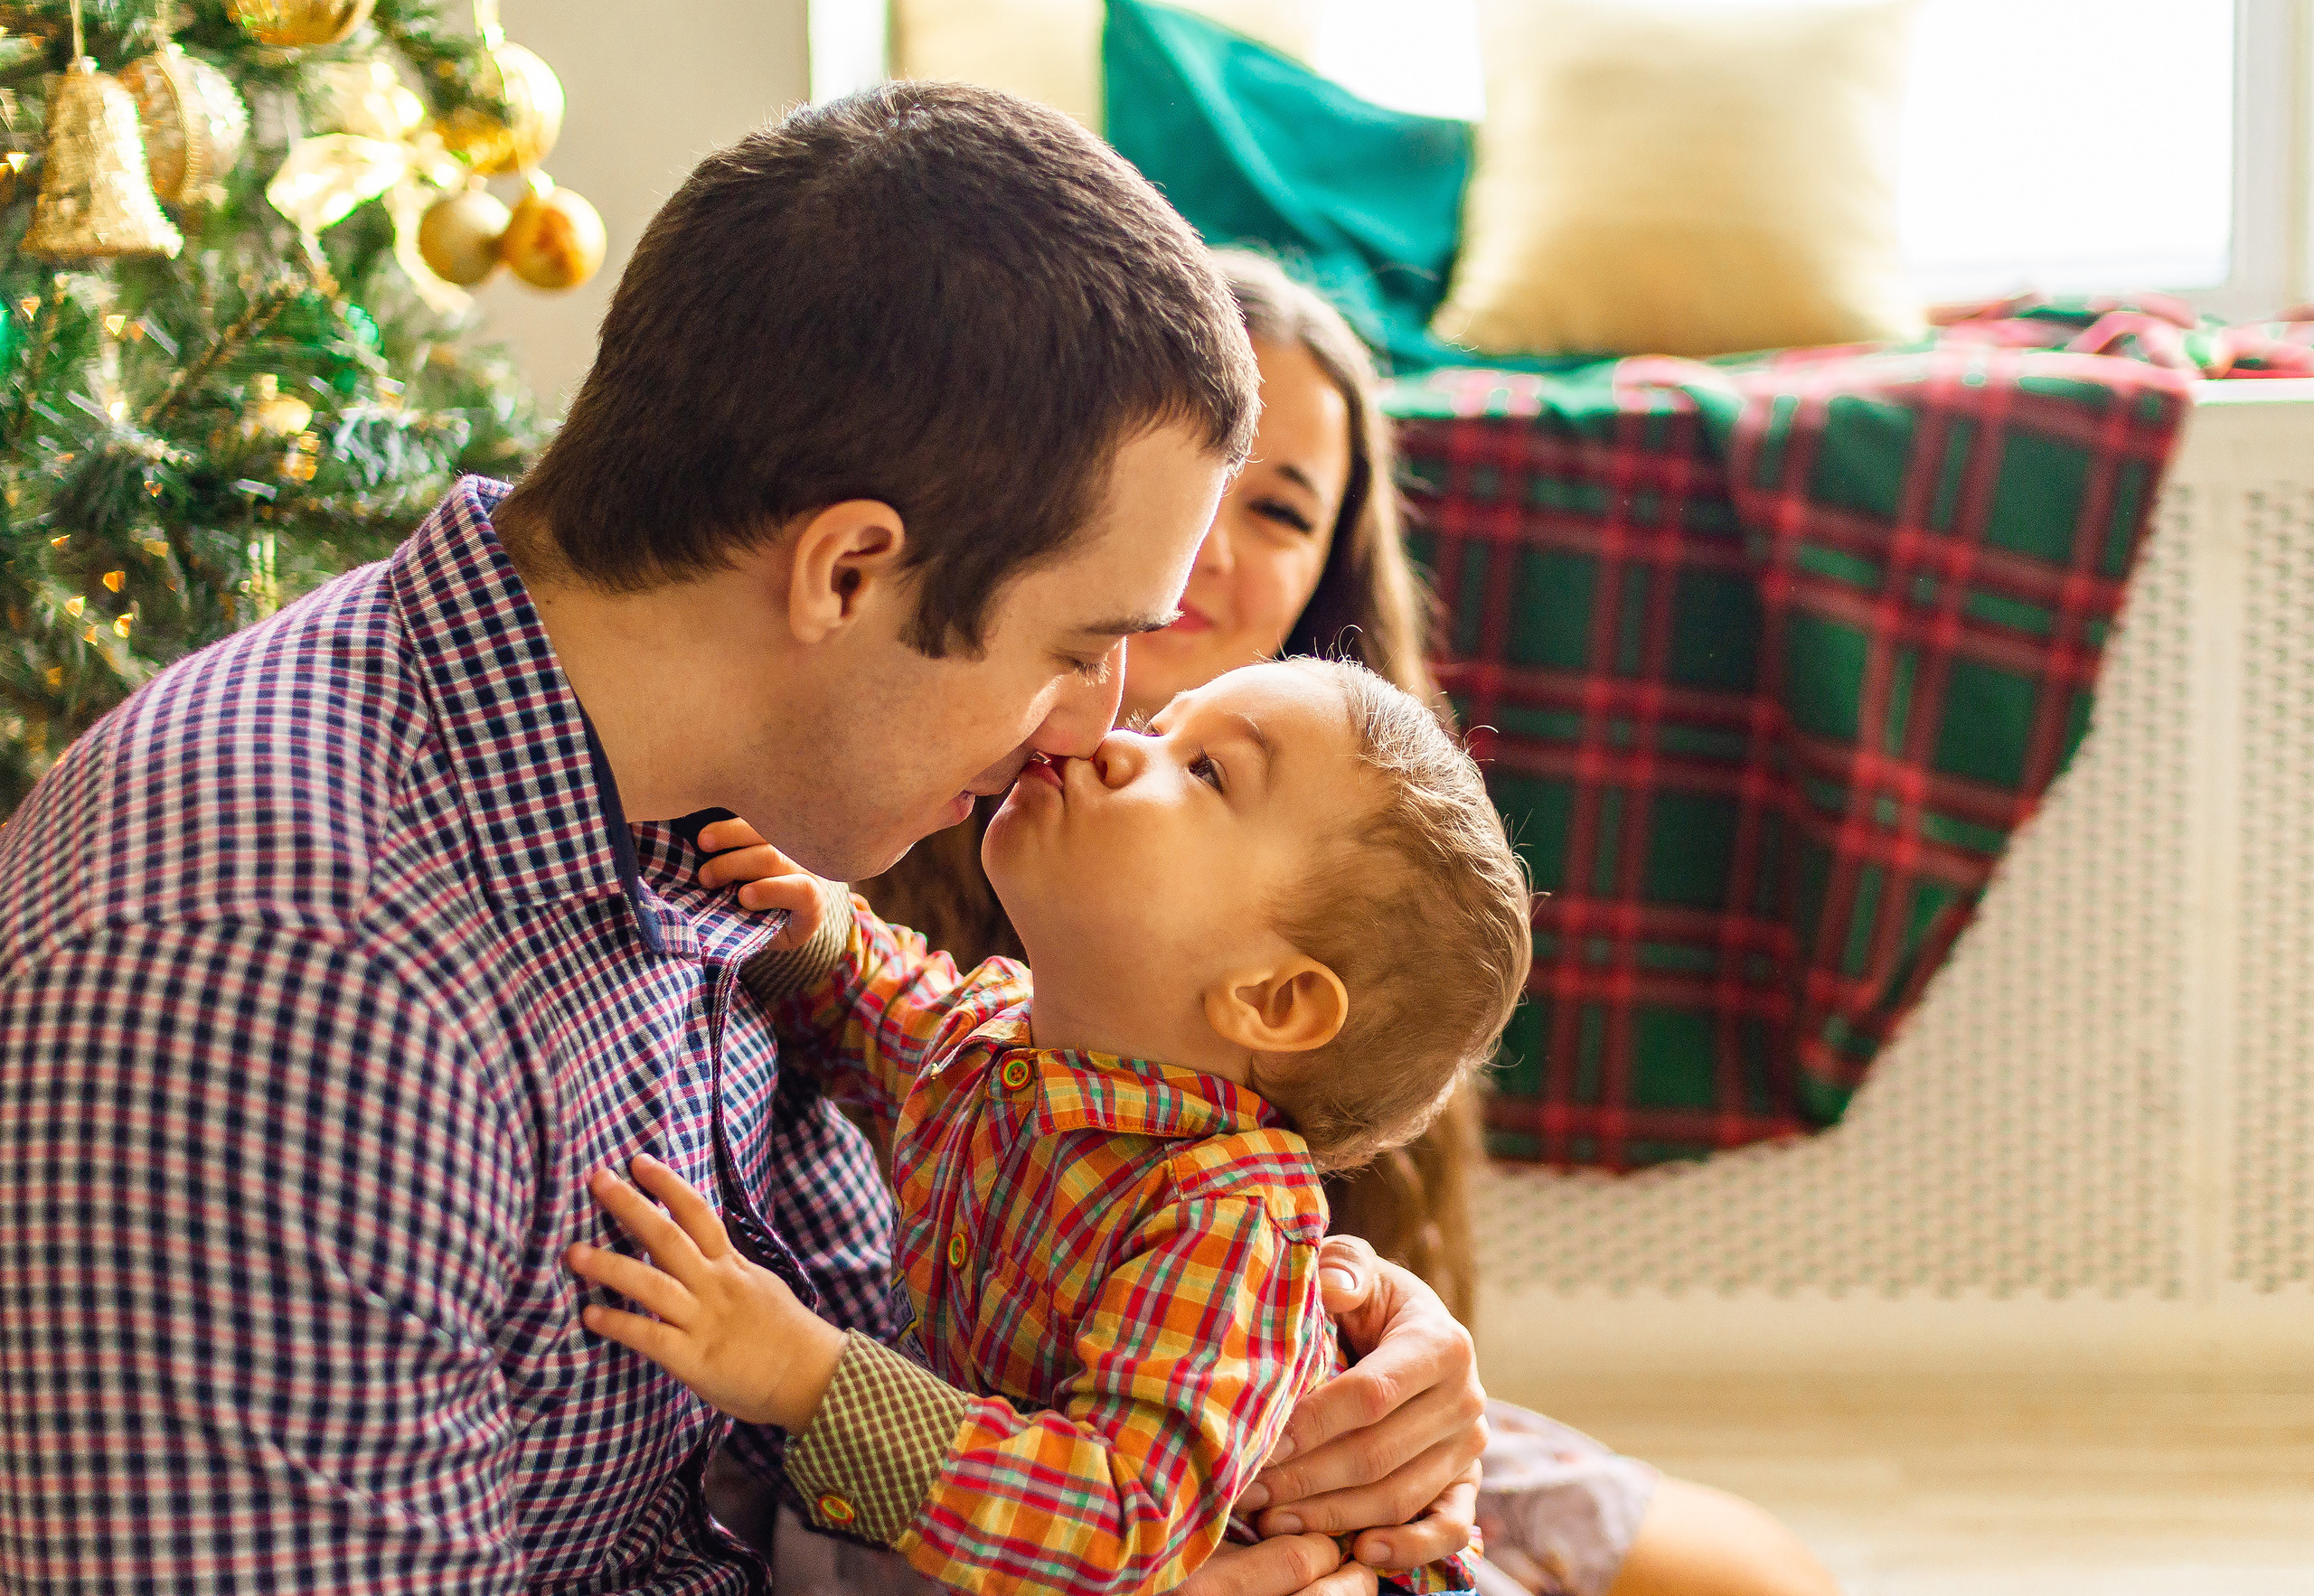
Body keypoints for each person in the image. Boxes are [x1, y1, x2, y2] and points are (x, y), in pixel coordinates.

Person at [0, 89, 1485, 1595]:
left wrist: (1324, 1346)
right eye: (1076, 647)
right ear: (846, 572)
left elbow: (937, 1288)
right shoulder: (283, 992)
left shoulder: (678, 795)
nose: (1082, 732)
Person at [854, 251, 1839, 1596]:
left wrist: (1398, 1362)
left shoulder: (1372, 877)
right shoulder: (901, 796)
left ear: (1327, 577)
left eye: (1278, 506)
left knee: (1756, 1576)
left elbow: (1329, 1261)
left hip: (1242, 1419)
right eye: (1179, 482)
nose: (1209, 542)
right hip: (1010, 1442)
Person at [570, 658, 1529, 1595]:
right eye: (1159, 726)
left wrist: (807, 1376)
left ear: (1273, 1000)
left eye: (1204, 769)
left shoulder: (1227, 1222)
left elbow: (1119, 1512)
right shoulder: (1011, 1040)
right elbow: (895, 1012)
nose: (1112, 741)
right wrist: (814, 930)